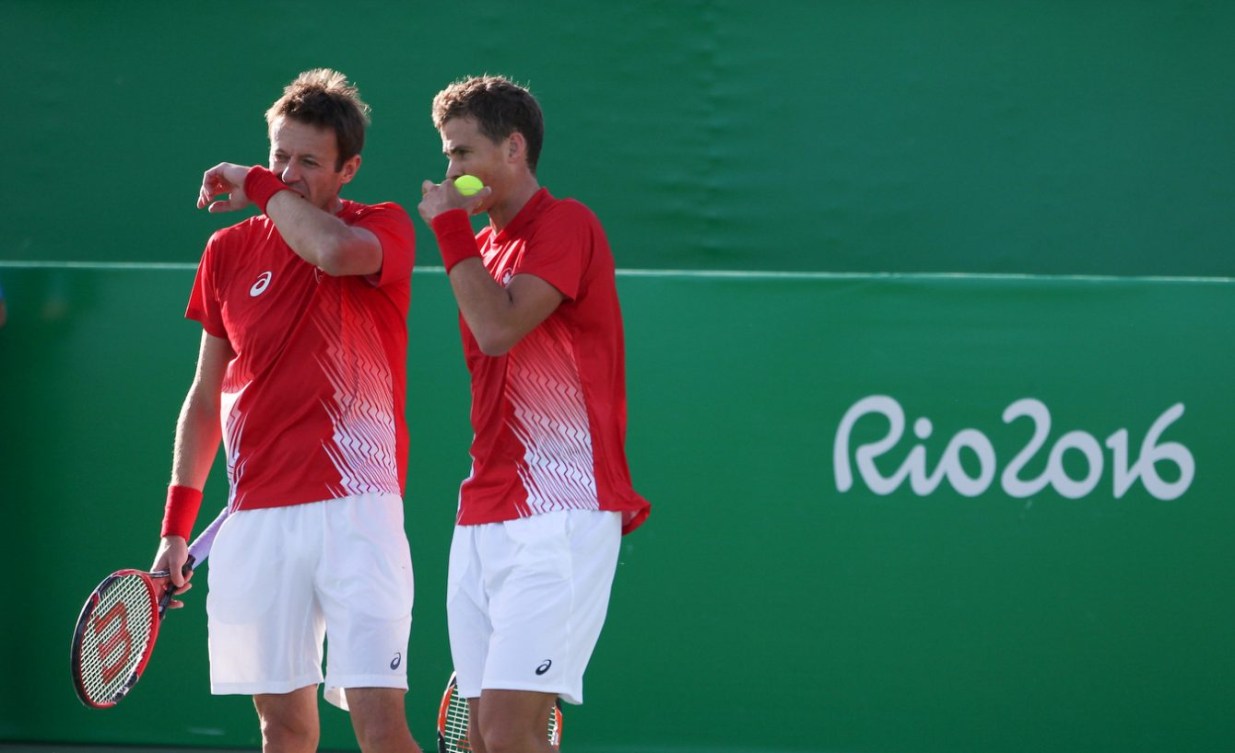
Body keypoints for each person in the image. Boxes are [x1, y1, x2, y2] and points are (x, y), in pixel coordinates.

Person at [150, 68, 422, 753]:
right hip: (256, 521)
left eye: (307, 161)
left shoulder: (381, 225)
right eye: (277, 156)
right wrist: (175, 528)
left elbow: (331, 252)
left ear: (348, 169)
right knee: (284, 729)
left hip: (357, 511)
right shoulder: (227, 251)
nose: (286, 172)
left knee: (380, 728)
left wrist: (262, 190)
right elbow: (206, 398)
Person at [418, 75, 651, 753]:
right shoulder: (482, 248)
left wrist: (448, 228)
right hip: (482, 514)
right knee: (488, 737)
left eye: (463, 154)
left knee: (511, 732)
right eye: (446, 156)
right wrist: (460, 235)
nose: (451, 171)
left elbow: (498, 329)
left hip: (563, 511)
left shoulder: (567, 223)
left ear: (513, 148)